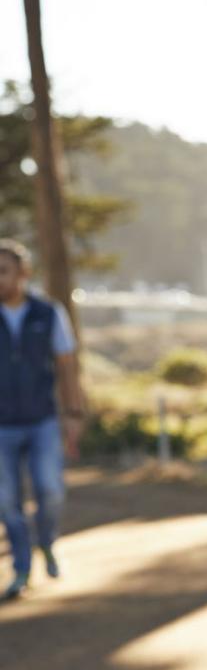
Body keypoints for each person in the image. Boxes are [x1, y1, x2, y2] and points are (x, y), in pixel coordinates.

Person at [0, 239, 85, 601]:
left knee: (49, 490)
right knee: (6, 501)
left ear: (23, 273)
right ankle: (21, 566)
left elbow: (67, 368)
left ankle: (47, 542)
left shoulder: (49, 313)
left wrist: (74, 413)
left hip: (43, 422)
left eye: (3, 270)